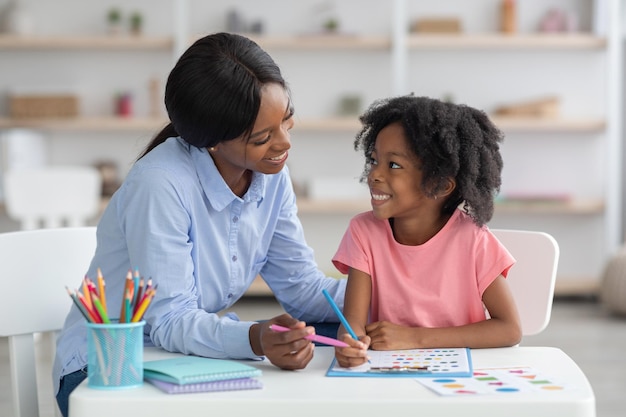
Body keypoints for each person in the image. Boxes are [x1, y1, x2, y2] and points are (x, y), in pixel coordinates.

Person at [53, 32, 345, 416]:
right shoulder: (160, 184)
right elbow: (170, 320)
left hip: (182, 355)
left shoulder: (271, 177)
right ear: (211, 141)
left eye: (287, 121)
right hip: (109, 366)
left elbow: (303, 290)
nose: (284, 144)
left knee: (348, 333)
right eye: (262, 138)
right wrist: (256, 338)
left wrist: (400, 290)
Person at [332, 95, 522, 368]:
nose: (374, 174)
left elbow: (509, 329)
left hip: (463, 374)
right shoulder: (363, 232)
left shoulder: (472, 240)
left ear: (440, 185)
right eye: (374, 160)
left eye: (394, 165)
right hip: (389, 375)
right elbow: (353, 327)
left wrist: (415, 338)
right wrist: (350, 345)